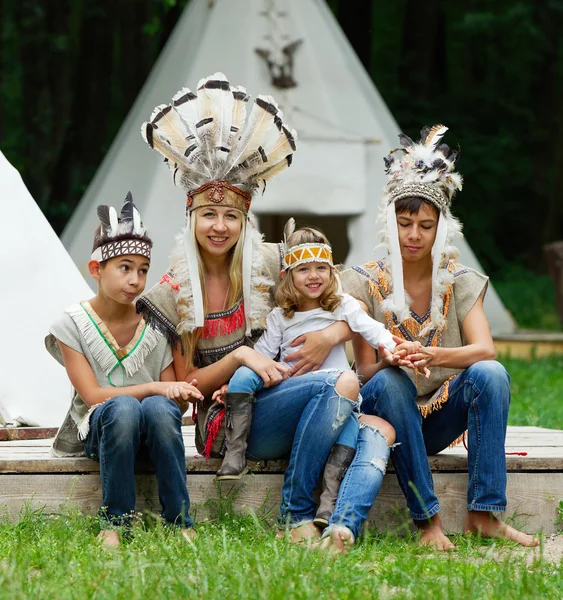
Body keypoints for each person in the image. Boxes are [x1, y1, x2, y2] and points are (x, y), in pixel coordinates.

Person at [136, 73, 359, 543]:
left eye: (231, 216)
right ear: (192, 218)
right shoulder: (171, 290)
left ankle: (302, 519)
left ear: (245, 220)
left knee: (340, 389)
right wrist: (240, 357)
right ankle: (295, 515)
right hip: (223, 423)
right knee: (340, 386)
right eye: (209, 215)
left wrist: (332, 335)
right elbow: (185, 387)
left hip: (284, 395)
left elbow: (350, 287)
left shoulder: (272, 263)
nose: (220, 227)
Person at [336, 125, 538, 551]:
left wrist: (433, 352)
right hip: (385, 415)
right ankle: (427, 521)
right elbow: (365, 370)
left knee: (492, 374)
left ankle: (484, 513)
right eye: (404, 223)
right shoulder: (362, 282)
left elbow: (486, 349)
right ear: (389, 224)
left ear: (440, 229)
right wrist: (393, 359)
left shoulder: (461, 281)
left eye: (425, 226)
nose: (413, 235)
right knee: (389, 381)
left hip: (437, 418)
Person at [211, 224, 398, 532]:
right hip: (294, 398)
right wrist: (232, 382)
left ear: (332, 271)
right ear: (288, 276)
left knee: (349, 425)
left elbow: (372, 329)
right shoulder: (280, 318)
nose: (314, 276)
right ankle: (243, 459)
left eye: (322, 268)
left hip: (337, 404)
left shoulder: (343, 307)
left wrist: (397, 347)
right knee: (330, 383)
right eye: (304, 269)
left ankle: (327, 506)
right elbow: (262, 356)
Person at [46, 194, 202, 548]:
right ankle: (114, 522)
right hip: (104, 435)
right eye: (124, 267)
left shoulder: (155, 321)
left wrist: (175, 393)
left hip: (153, 434)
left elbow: (167, 398)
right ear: (96, 269)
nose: (135, 280)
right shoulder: (71, 324)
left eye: (143, 270)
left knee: (161, 409)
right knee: (124, 407)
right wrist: (156, 389)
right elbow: (93, 397)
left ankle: (179, 521)